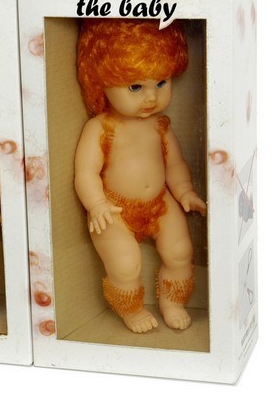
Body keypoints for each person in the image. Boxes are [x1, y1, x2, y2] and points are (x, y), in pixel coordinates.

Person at [74, 18, 206, 333]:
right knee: (124, 264)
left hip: (160, 201)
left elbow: (174, 164)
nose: (151, 98)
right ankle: (131, 310)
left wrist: (184, 191)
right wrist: (96, 204)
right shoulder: (100, 127)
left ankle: (173, 302)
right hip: (113, 207)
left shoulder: (160, 126)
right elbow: (85, 172)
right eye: (135, 87)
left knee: (180, 251)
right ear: (100, 82)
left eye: (161, 83)